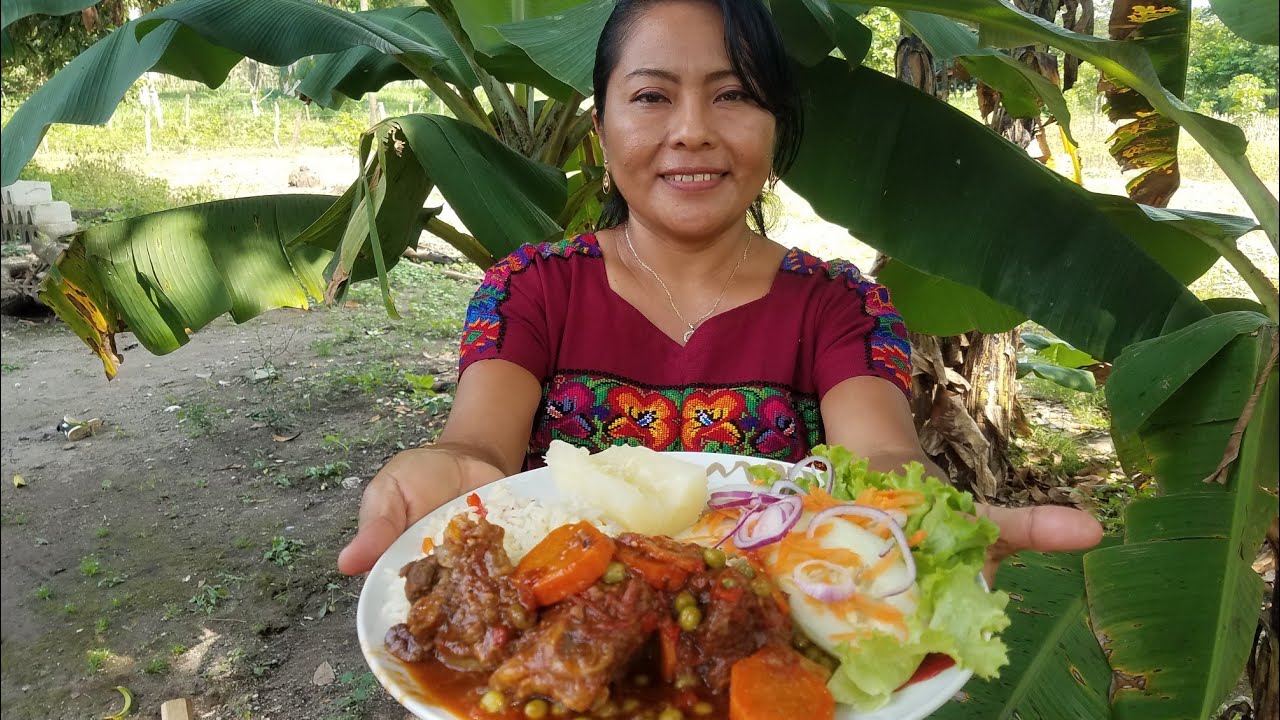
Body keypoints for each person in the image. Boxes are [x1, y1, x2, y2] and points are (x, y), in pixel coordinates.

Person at [337, 0, 1102, 584]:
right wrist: (454, 468)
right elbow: (479, 447)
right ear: (601, 129)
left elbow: (883, 455)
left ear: (777, 129)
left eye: (733, 95)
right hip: (569, 630)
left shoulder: (838, 307)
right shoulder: (531, 289)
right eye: (651, 97)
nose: (693, 130)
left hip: (772, 640)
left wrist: (927, 516)